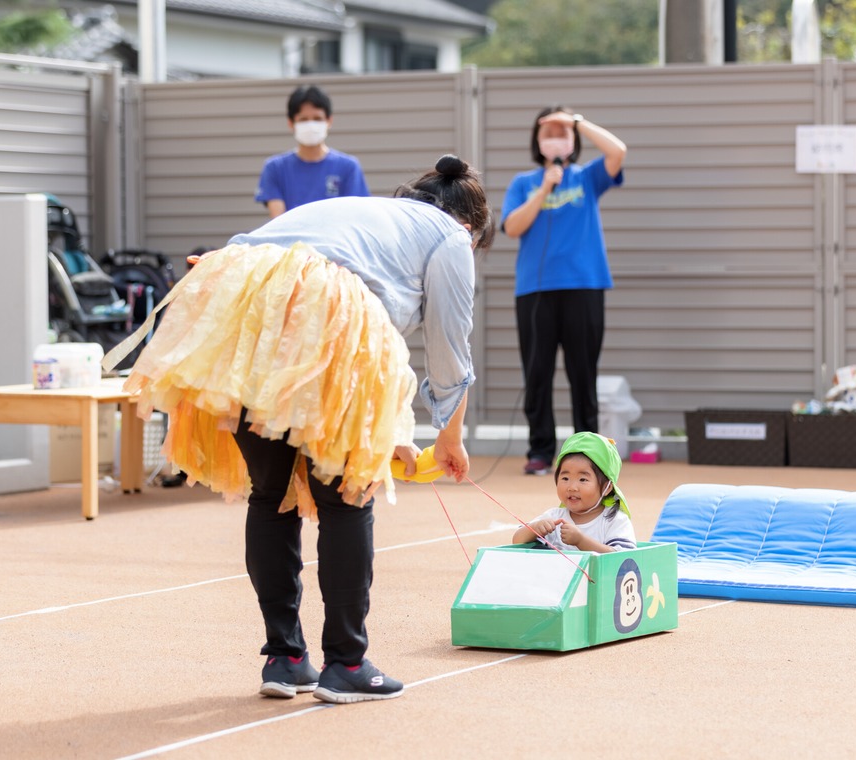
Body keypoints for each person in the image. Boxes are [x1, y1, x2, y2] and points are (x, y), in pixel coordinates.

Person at [108, 155, 493, 705]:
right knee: (345, 501)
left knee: (271, 496)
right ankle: (347, 664)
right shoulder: (451, 238)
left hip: (241, 305)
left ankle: (285, 658)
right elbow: (449, 347)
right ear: (470, 227)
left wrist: (397, 436)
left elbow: (246, 256)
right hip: (322, 312)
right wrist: (450, 436)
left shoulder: (359, 211)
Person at [500, 106, 627, 476]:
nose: (555, 137)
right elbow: (512, 227)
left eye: (562, 131)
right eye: (548, 132)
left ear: (573, 140)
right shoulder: (523, 183)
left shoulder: (588, 177)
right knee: (536, 372)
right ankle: (540, 450)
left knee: (582, 373)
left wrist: (579, 121)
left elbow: (618, 152)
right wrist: (544, 188)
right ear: (536, 141)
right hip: (535, 291)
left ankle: (587, 452)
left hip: (584, 287)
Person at [254, 84, 369, 217]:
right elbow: (278, 221)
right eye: (303, 119)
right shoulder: (275, 168)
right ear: (291, 123)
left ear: (329, 121)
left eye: (317, 119)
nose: (311, 125)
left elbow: (353, 215)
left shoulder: (349, 167)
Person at [511, 432, 636, 553]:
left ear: (607, 487)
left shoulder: (614, 520)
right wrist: (534, 529)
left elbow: (622, 558)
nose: (572, 487)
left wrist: (581, 541)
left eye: (583, 479)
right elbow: (517, 541)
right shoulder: (554, 518)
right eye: (565, 478)